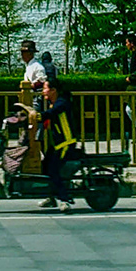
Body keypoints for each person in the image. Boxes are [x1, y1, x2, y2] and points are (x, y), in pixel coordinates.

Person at [33, 77, 82, 212]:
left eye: (45, 88)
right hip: (56, 145)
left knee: (54, 169)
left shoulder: (61, 103)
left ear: (53, 90)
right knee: (45, 167)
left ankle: (64, 199)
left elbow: (49, 114)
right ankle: (51, 197)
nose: (43, 91)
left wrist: (35, 116)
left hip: (66, 143)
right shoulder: (53, 103)